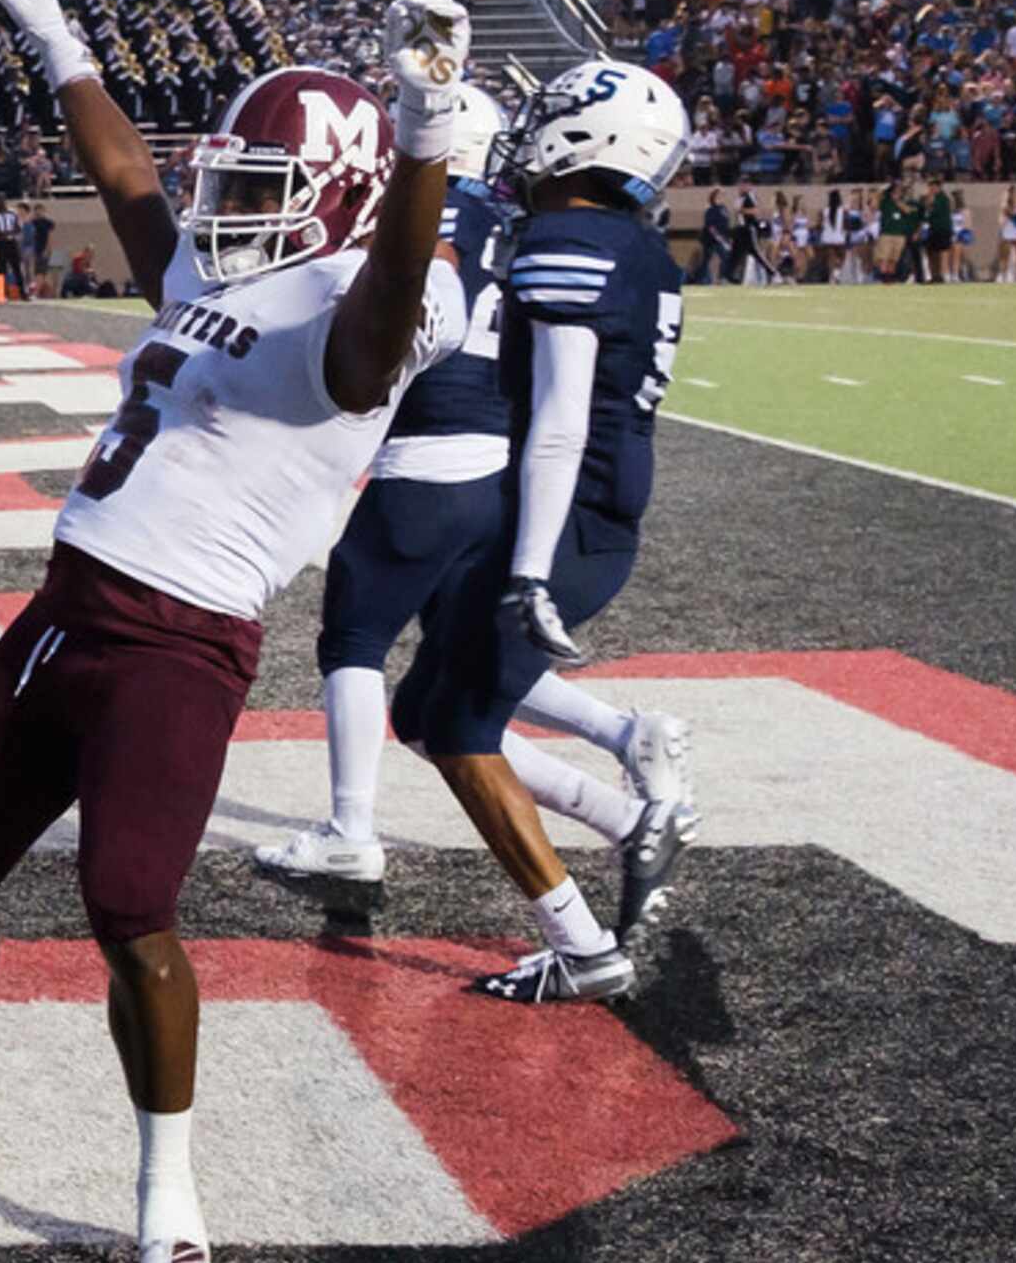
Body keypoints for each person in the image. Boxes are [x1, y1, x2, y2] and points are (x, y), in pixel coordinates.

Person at [0, 0, 475, 1263]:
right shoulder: (229, 269)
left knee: (129, 908)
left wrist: (425, 140)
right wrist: (67, 55)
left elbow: (369, 337)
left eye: (263, 186)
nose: (227, 206)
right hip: (65, 605)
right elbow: (124, 180)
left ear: (349, 197)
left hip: (180, 641)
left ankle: (169, 1191)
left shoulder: (388, 297)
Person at [257, 75, 696, 943]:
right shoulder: (545, 229)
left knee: (372, 652)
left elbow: (557, 410)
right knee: (442, 693)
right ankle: (622, 784)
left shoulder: (501, 224)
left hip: (444, 462)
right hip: (506, 472)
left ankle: (359, 834)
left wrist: (532, 570)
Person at [378, 58, 692, 1003]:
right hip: (578, 510)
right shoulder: (629, 244)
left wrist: (526, 573)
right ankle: (630, 815)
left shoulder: (567, 236)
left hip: (566, 519)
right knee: (420, 713)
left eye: (549, 118)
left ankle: (585, 947)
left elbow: (559, 420)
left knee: (463, 731)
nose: (526, 136)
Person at [0, 197, 25, 297]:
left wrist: (9, 232)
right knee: (1, 269)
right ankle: (1, 293)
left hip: (11, 242)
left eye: (2, 201)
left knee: (17, 268)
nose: (1, 203)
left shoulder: (12, 215)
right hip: (0, 244)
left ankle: (23, 292)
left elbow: (18, 229)